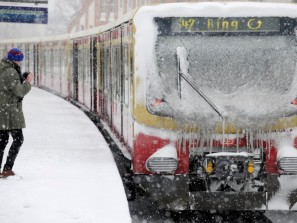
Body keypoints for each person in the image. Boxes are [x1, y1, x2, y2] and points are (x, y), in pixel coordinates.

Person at [0, 48, 33, 178]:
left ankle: (6, 169)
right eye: (19, 60)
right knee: (18, 139)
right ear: (16, 60)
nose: (20, 63)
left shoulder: (4, 68)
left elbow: (10, 86)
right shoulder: (10, 72)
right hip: (9, 112)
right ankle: (7, 169)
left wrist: (21, 78)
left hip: (4, 110)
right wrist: (28, 82)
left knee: (2, 140)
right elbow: (19, 91)